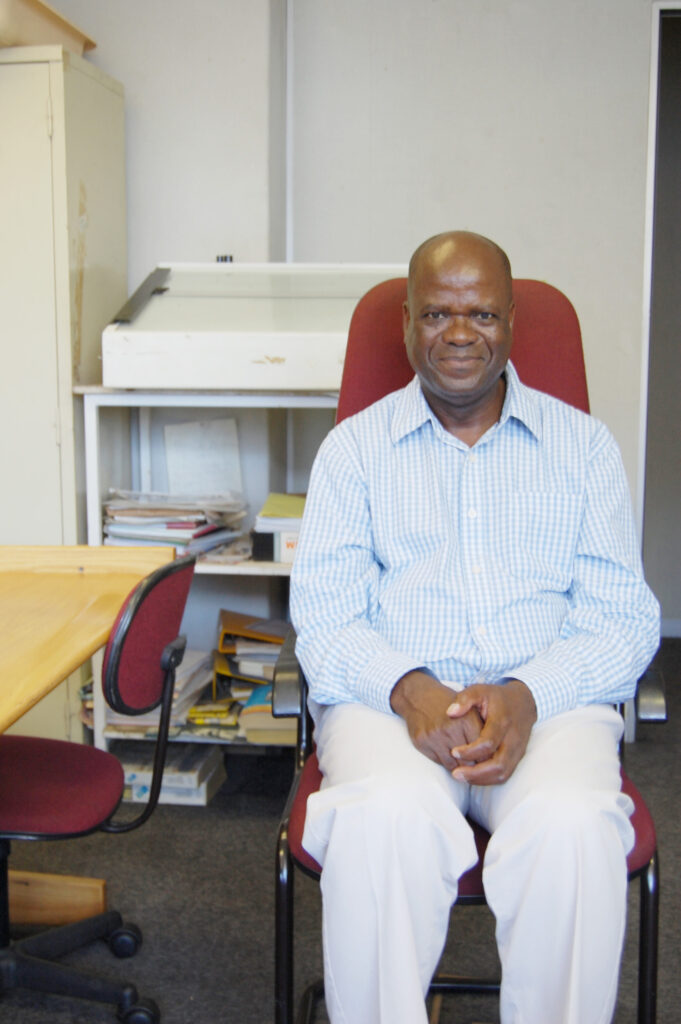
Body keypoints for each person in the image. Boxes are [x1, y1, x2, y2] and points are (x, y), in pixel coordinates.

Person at [289, 230, 660, 1024]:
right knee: (382, 822)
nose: (460, 334)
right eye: (437, 314)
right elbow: (323, 616)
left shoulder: (583, 449)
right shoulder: (352, 452)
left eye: (482, 313)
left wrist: (529, 692)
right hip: (390, 705)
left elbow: (623, 620)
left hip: (548, 705)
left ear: (512, 321)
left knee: (571, 830)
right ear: (406, 323)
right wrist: (408, 687)